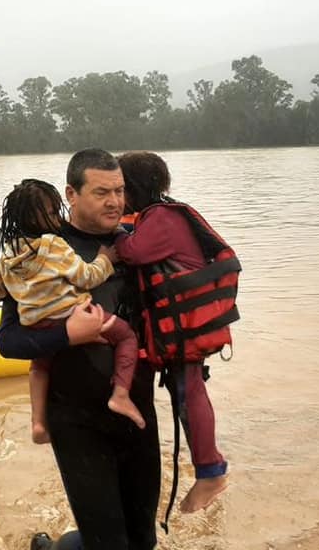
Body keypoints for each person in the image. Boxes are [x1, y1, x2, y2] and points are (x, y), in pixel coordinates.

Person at [0, 149, 161, 550]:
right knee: (109, 545)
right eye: (102, 192)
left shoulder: (137, 247)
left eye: (120, 191)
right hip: (77, 422)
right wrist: (67, 335)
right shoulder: (41, 250)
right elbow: (8, 341)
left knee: (143, 541)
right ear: (71, 193)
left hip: (138, 413)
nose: (115, 202)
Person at [115, 151, 237, 514]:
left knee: (189, 394)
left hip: (184, 330)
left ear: (133, 187)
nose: (119, 196)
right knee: (187, 393)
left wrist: (113, 234)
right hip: (180, 327)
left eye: (121, 188)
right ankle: (209, 470)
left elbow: (134, 253)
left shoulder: (162, 218)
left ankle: (211, 472)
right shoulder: (160, 213)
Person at [0, 178, 144, 445]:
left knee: (38, 368)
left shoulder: (8, 254)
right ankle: (120, 394)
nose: (56, 218)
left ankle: (37, 422)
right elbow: (86, 276)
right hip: (72, 315)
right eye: (50, 212)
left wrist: (18, 288)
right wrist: (106, 258)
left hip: (36, 323)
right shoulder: (53, 245)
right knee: (126, 336)